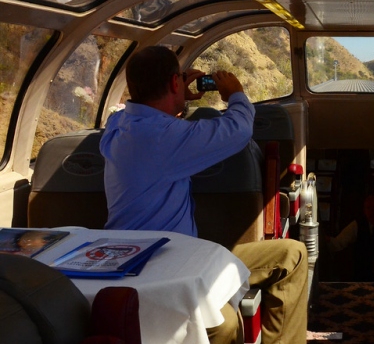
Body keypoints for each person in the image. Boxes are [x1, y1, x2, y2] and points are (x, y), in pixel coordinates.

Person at [101, 45, 307, 344]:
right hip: (169, 264)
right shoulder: (165, 139)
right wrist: (235, 94)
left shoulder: (118, 126)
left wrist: (177, 101)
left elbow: (157, 127)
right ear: (174, 82)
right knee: (293, 255)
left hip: (128, 255)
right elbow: (237, 130)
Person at [324, 194, 374, 281]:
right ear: (364, 211)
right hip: (362, 277)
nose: (372, 212)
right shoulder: (357, 225)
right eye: (368, 208)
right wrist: (324, 240)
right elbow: (338, 243)